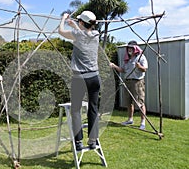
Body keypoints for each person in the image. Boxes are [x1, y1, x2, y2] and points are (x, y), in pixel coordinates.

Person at [58, 11, 100, 151]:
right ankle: (93, 141)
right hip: (94, 77)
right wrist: (75, 25)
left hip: (80, 78)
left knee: (75, 110)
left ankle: (78, 142)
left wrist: (64, 19)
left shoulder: (78, 35)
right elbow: (84, 34)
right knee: (93, 109)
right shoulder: (96, 35)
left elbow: (61, 32)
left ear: (82, 22)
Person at [110, 40, 148, 130]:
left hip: (137, 82)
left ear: (135, 48)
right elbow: (122, 70)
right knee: (129, 102)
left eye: (131, 48)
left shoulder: (141, 57)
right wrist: (114, 66)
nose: (129, 49)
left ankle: (143, 122)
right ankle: (130, 119)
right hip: (127, 81)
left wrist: (139, 67)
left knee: (140, 103)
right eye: (128, 48)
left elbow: (145, 69)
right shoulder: (127, 59)